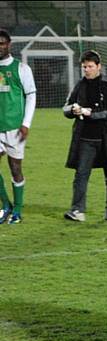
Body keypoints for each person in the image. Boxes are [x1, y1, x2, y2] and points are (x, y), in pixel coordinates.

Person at [63, 50, 107, 222]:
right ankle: (77, 210)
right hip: (86, 139)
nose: (87, 70)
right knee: (81, 174)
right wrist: (72, 110)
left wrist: (93, 114)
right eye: (84, 67)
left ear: (98, 67)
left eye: (90, 66)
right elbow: (66, 107)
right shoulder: (80, 86)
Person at [0, 28, 36, 224]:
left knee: (15, 169)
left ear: (9, 45)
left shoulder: (21, 68)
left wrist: (26, 123)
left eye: (2, 43)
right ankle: (5, 205)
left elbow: (31, 95)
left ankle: (17, 210)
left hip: (14, 127)